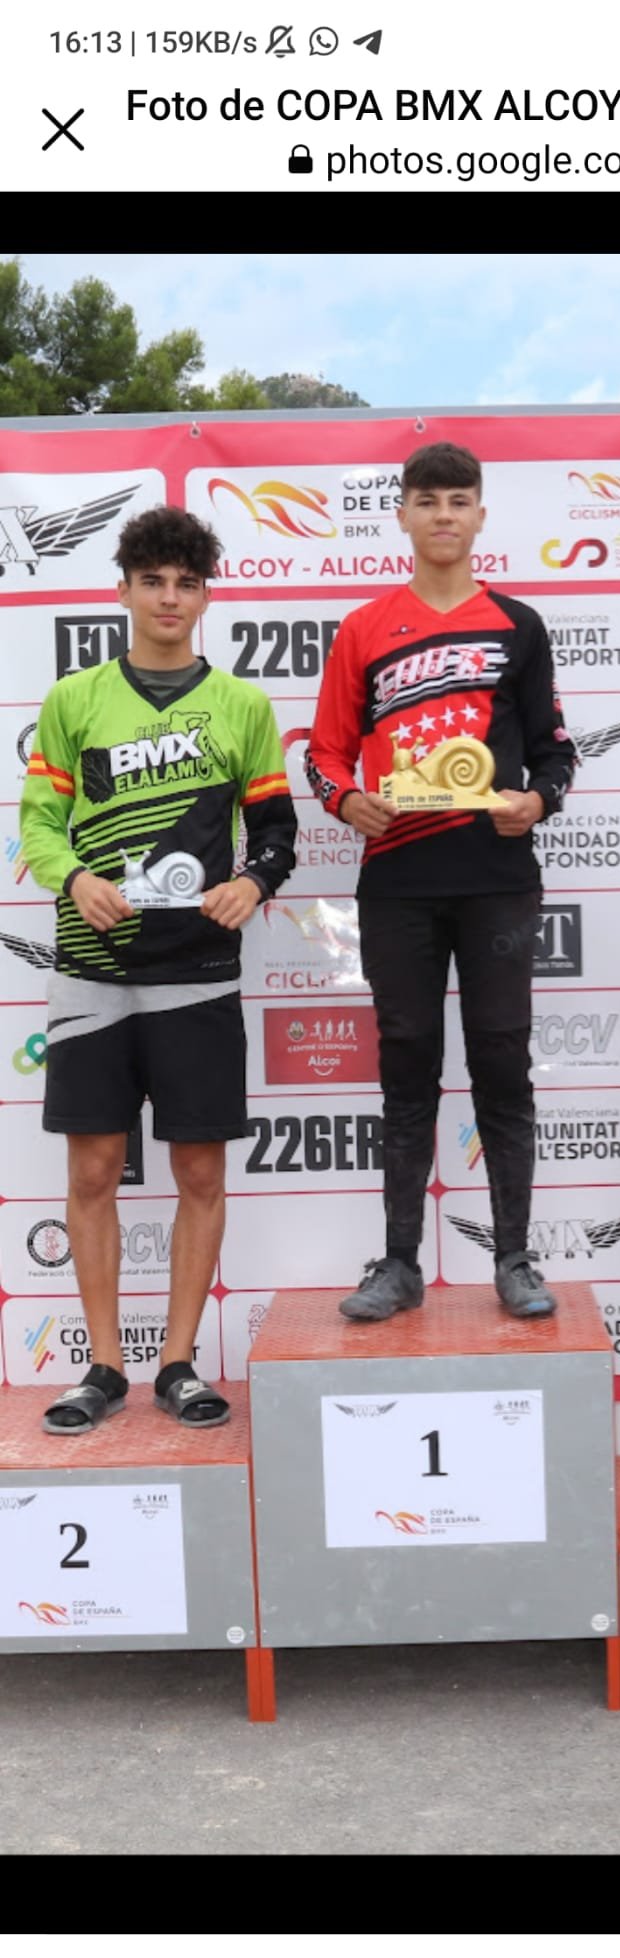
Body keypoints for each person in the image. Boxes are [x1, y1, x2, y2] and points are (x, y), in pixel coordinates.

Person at [20, 505, 297, 1433]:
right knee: (94, 1171)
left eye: (186, 583)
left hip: (200, 973)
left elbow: (275, 829)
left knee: (200, 1174)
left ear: (206, 595)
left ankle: (178, 1362)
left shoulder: (243, 706)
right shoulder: (74, 700)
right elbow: (38, 825)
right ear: (123, 590)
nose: (169, 598)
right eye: (153, 582)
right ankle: (103, 1367)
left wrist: (252, 883)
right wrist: (74, 878)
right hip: (91, 970)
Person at [306, 441, 577, 1320]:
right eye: (427, 501)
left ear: (480, 515)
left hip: (496, 877)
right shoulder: (363, 627)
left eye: (459, 501)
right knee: (407, 1067)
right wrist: (346, 801)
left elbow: (555, 752)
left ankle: (514, 1259)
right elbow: (323, 754)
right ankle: (398, 1264)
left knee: (501, 1062)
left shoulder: (518, 625)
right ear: (402, 516)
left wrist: (538, 801)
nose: (444, 516)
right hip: (397, 879)